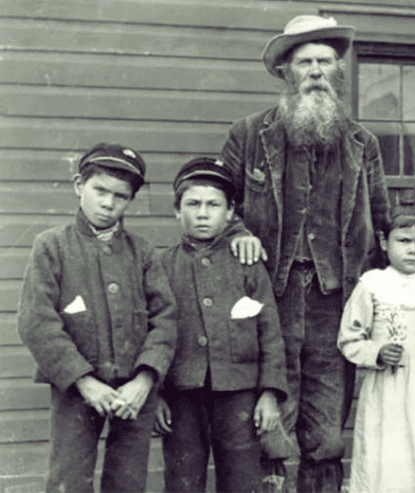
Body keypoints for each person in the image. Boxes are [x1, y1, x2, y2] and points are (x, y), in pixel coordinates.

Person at [219, 14, 390, 492]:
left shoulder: (362, 144)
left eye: (325, 62)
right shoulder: (250, 135)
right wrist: (237, 230)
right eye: (304, 62)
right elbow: (220, 201)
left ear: (338, 72)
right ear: (285, 73)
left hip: (334, 302)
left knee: (326, 426)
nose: (316, 71)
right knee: (268, 419)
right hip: (266, 297)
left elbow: (383, 220)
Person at [16, 143, 177, 493]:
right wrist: (84, 382)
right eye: (99, 190)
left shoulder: (143, 251)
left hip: (135, 392)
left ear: (131, 200)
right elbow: (36, 322)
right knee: (69, 478)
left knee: (128, 480)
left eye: (120, 196)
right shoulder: (52, 246)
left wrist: (145, 380)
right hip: (75, 389)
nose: (108, 203)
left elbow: (165, 319)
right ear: (78, 185)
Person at [153, 157, 288, 492]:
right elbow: (150, 332)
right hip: (181, 392)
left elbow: (269, 332)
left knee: (242, 479)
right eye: (192, 204)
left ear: (230, 213)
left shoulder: (247, 263)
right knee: (183, 479)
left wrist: (269, 393)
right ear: (176, 211)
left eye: (213, 205)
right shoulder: (160, 265)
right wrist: (155, 395)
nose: (202, 213)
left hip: (239, 392)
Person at [337, 203, 415, 493]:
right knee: (385, 456)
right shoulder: (372, 285)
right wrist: (376, 352)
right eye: (403, 241)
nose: (413, 250)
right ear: (384, 241)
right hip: (386, 387)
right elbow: (349, 338)